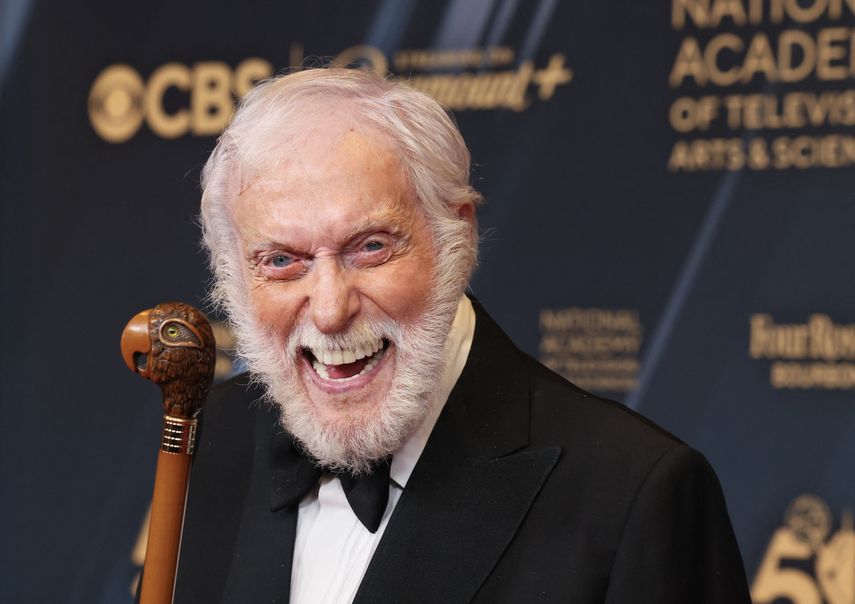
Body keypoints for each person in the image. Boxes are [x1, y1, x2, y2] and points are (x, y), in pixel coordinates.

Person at [173, 67, 751, 603]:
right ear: (230, 274)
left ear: (457, 240)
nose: (328, 309)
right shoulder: (205, 442)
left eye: (371, 247)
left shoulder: (636, 497)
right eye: (280, 261)